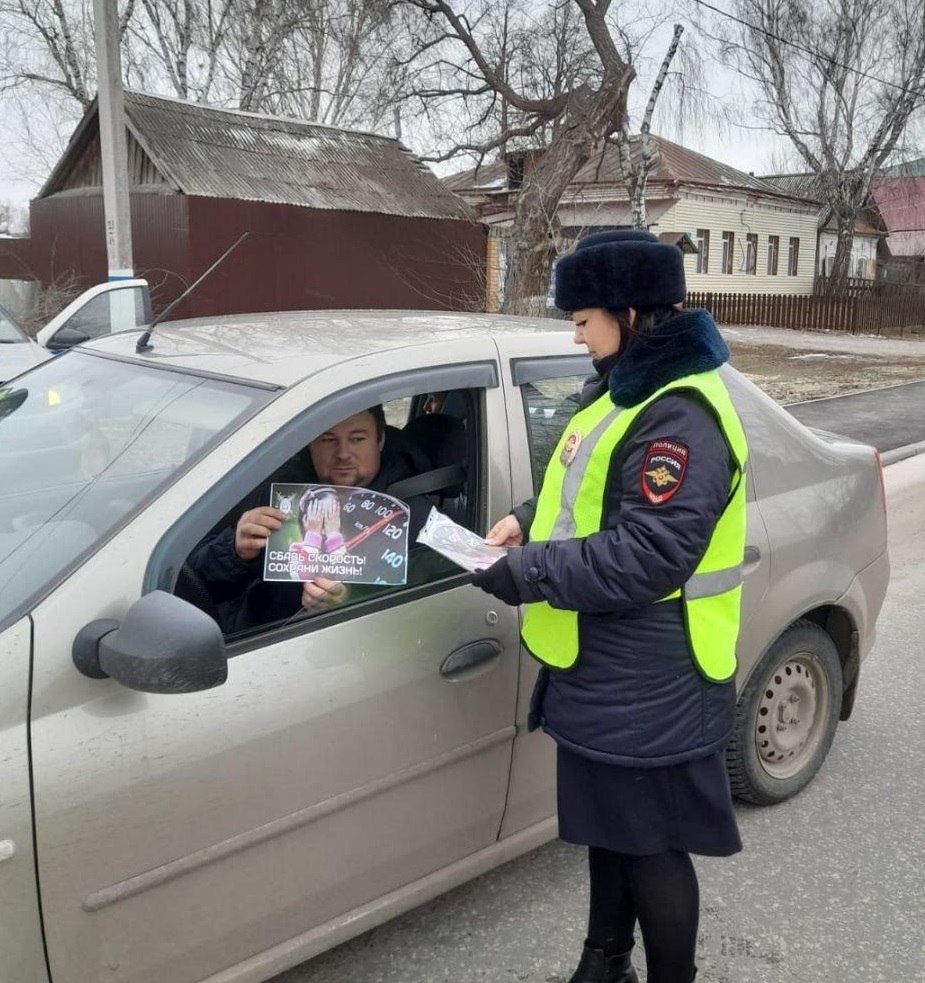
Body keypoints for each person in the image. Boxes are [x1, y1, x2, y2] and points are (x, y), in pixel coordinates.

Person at [470, 229, 748, 983]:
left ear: (628, 313)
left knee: (651, 847)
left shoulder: (679, 412)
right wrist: (526, 520)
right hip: (610, 664)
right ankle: (605, 960)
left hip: (656, 671)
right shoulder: (628, 388)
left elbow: (650, 553)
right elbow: (591, 494)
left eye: (582, 319)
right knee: (611, 830)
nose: (576, 334)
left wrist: (525, 571)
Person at [187, 405, 434, 631]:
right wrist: (235, 552)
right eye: (327, 439)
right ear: (310, 444)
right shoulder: (280, 491)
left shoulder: (414, 518)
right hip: (238, 639)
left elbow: (416, 621)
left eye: (357, 439)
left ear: (380, 440)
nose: (343, 453)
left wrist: (345, 606)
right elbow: (194, 585)